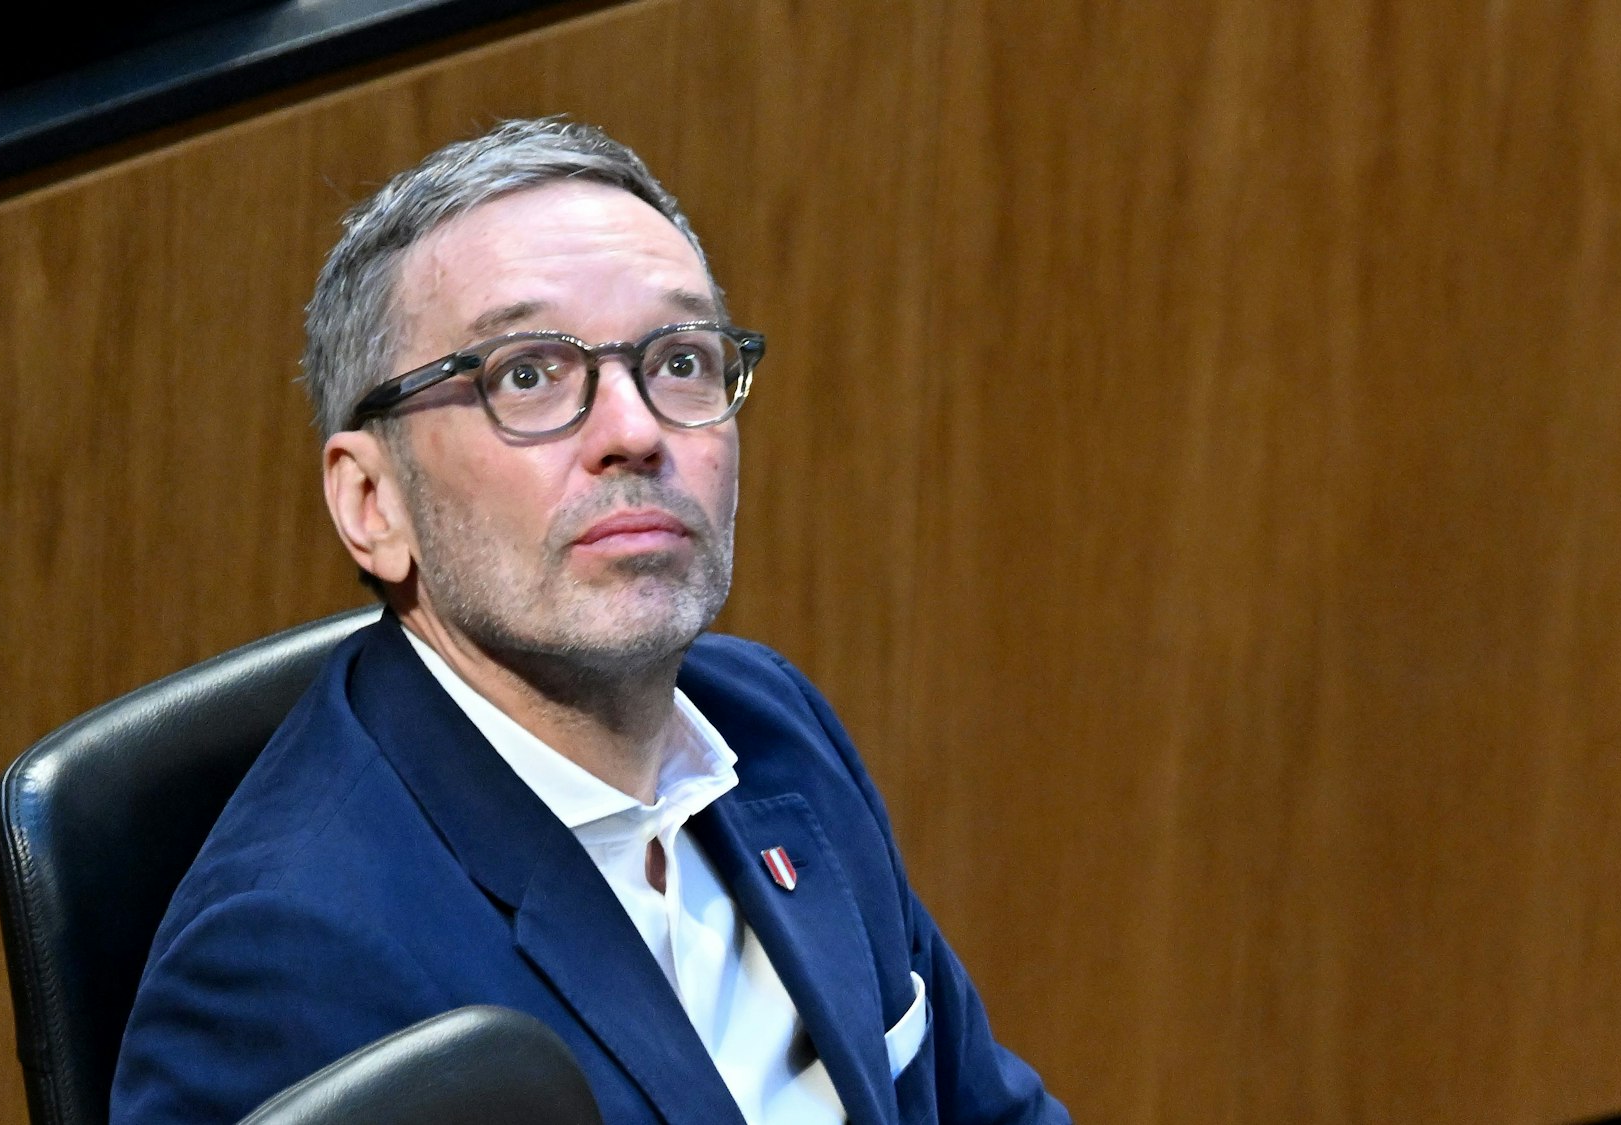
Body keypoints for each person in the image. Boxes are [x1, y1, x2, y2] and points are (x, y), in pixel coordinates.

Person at [110, 118, 1068, 1125]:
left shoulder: (771, 721)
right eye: (526, 374)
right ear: (372, 503)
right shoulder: (284, 961)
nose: (636, 432)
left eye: (681, 360)